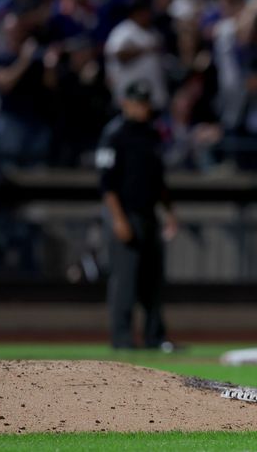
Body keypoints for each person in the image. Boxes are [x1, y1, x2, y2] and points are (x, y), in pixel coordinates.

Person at [95, 79, 178, 351]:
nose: (142, 108)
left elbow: (159, 180)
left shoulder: (152, 133)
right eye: (138, 102)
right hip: (125, 213)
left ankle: (156, 337)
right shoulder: (114, 134)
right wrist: (118, 220)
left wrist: (169, 213)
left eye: (145, 103)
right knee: (125, 280)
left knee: (152, 280)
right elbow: (107, 184)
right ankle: (122, 339)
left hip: (148, 214)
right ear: (125, 103)